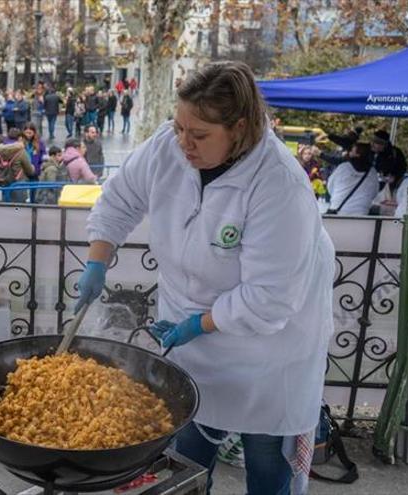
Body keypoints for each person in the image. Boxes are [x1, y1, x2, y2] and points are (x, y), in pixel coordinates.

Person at [77, 61, 334, 494]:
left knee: (268, 458)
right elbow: (119, 200)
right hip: (188, 327)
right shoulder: (169, 146)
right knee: (186, 450)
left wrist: (199, 324)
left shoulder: (279, 186)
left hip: (269, 347)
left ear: (239, 128)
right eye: (179, 128)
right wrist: (97, 261)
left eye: (198, 136)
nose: (183, 143)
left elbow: (268, 297)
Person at [326, 142, 379, 215]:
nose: (349, 152)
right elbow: (374, 193)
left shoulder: (343, 167)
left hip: (338, 211)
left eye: (352, 151)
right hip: (361, 213)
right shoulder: (373, 172)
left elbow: (330, 186)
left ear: (358, 154)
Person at [0, 128, 35, 203]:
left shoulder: (1, 150)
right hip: (18, 184)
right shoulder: (21, 152)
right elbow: (30, 171)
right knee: (18, 209)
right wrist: (33, 167)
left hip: (5, 182)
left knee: (6, 208)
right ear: (19, 138)